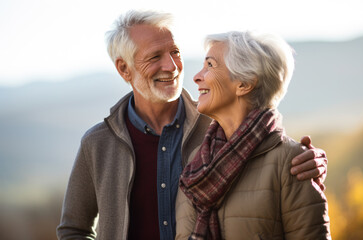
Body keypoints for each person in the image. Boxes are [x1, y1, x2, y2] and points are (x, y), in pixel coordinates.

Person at [56, 10, 328, 240]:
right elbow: (73, 229)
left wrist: (309, 162)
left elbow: (269, 150)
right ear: (124, 69)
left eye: (175, 51)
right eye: (154, 57)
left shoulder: (220, 128)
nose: (172, 66)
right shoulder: (98, 143)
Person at [176, 31, 331, 239]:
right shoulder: (196, 163)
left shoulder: (293, 162)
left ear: (244, 84)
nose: (196, 77)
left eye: (210, 65)